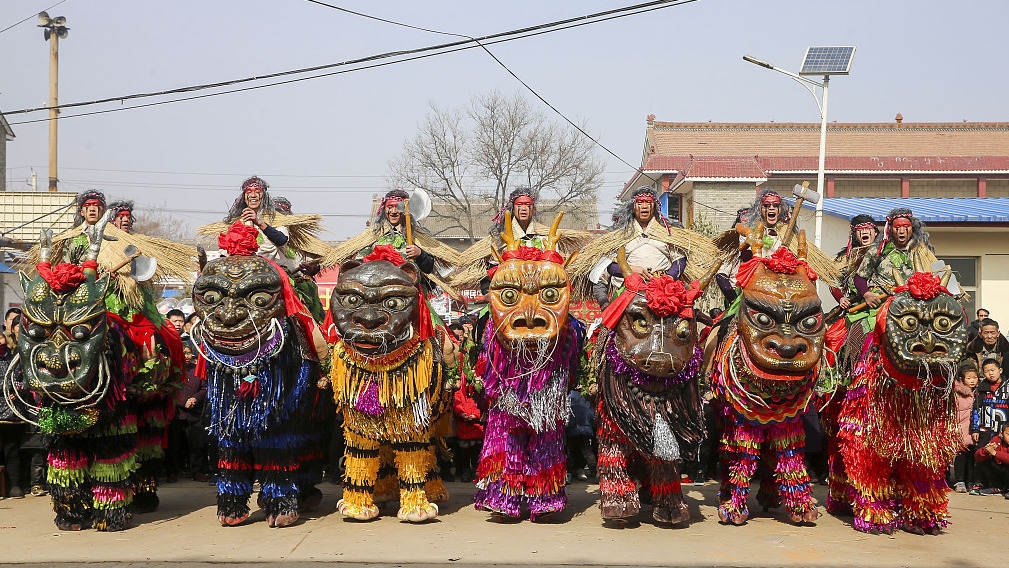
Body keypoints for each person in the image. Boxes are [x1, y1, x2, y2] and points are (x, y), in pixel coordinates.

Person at [575, 186, 714, 310]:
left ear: (655, 206)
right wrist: (631, 271)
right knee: (608, 330)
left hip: (665, 289)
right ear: (633, 207)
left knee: (684, 323)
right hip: (630, 290)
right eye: (640, 203)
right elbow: (607, 266)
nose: (644, 207)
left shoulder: (668, 232)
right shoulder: (619, 235)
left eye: (648, 202)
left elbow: (680, 260)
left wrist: (667, 279)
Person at [854, 208, 937, 309]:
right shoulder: (879, 250)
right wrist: (866, 294)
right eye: (897, 227)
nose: (901, 231)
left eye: (905, 227)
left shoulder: (922, 251)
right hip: (881, 301)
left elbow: (936, 273)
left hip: (914, 302)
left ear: (913, 228)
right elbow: (860, 277)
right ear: (890, 229)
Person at [831, 214, 879, 310]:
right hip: (857, 304)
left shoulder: (884, 253)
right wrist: (841, 298)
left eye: (868, 228)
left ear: (875, 233)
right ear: (854, 235)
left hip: (883, 299)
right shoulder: (846, 258)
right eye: (860, 230)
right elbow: (833, 282)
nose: (864, 231)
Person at [972, 357, 1009, 453]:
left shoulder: (1007, 388)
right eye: (987, 371)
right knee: (982, 454)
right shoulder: (981, 389)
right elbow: (976, 409)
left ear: (1000, 370)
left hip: (1003, 431)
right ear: (983, 374)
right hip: (985, 430)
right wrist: (975, 429)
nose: (990, 373)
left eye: (993, 370)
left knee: (1002, 456)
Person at [953, 362, 980, 493]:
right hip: (961, 429)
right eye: (969, 378)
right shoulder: (956, 393)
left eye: (974, 377)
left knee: (972, 455)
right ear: (961, 379)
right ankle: (959, 480)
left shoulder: (980, 392)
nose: (972, 380)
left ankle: (970, 481)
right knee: (961, 455)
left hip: (974, 429)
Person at [973, 423, 1009, 496]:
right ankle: (997, 487)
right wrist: (985, 451)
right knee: (982, 462)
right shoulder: (996, 440)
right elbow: (977, 456)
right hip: (1000, 473)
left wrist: (996, 453)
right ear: (1001, 434)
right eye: (1008, 434)